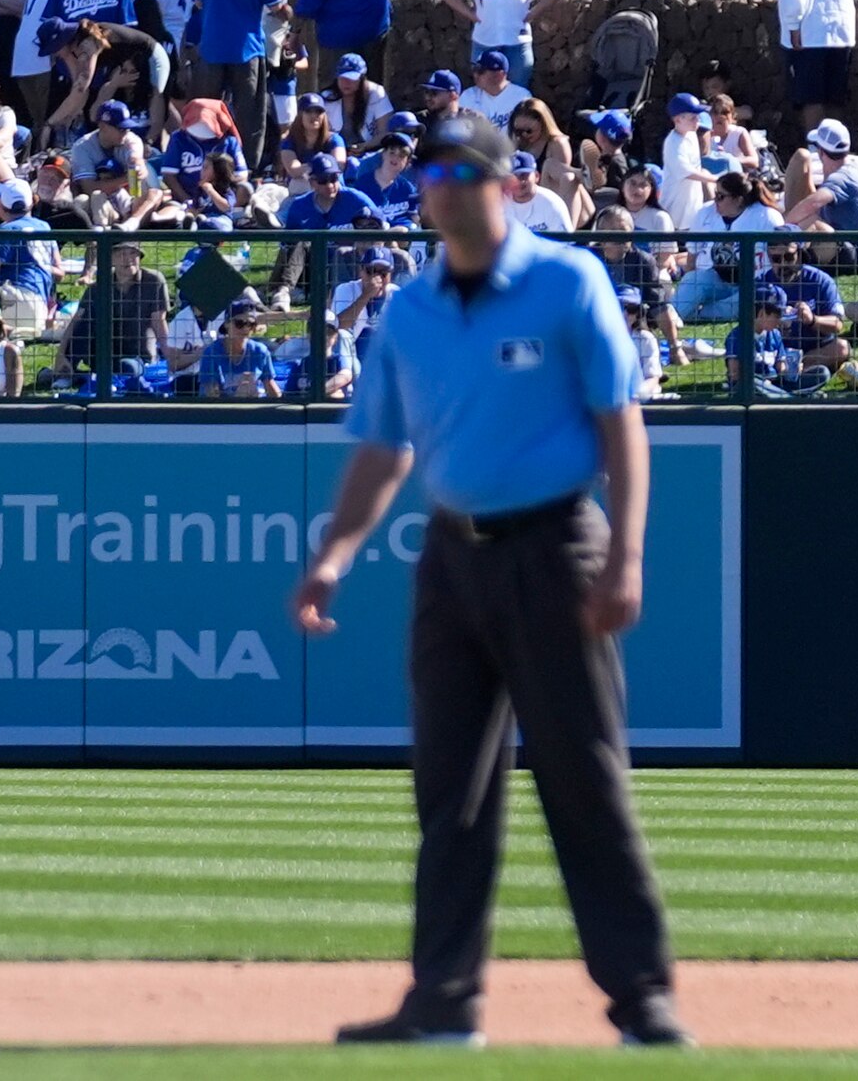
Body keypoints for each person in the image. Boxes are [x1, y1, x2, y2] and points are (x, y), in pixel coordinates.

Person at [290, 108, 684, 1050]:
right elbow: (383, 448)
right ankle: (443, 1001)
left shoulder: (565, 280)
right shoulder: (411, 307)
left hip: (556, 547)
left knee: (584, 778)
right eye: (434, 174)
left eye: (467, 172)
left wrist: (625, 553)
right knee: (450, 793)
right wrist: (335, 555)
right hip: (453, 559)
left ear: (509, 184)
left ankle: (644, 1000)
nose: (447, 188)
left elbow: (620, 425)